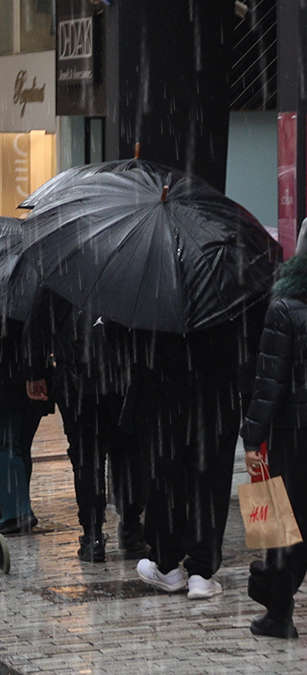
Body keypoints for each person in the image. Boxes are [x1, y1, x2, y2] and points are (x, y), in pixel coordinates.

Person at [129, 304, 262, 600]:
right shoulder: (226, 281)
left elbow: (124, 339)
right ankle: (201, 571)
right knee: (210, 479)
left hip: (164, 392)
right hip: (216, 394)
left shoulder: (153, 281)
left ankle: (166, 563)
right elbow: (252, 336)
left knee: (166, 478)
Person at [26, 290, 147, 562]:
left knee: (87, 459)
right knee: (127, 453)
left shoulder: (60, 271)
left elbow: (37, 328)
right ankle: (130, 527)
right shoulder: (126, 263)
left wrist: (36, 372)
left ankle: (92, 535)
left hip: (76, 381)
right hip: (120, 379)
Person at [241, 253, 307, 638]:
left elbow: (269, 382)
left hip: (294, 434)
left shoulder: (283, 309)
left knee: (278, 525)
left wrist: (252, 437)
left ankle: (277, 609)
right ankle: (271, 590)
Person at [0, 306, 52, 535]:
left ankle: (17, 512)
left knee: (1, 447)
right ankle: (8, 506)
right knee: (20, 448)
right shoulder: (34, 294)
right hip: (30, 383)